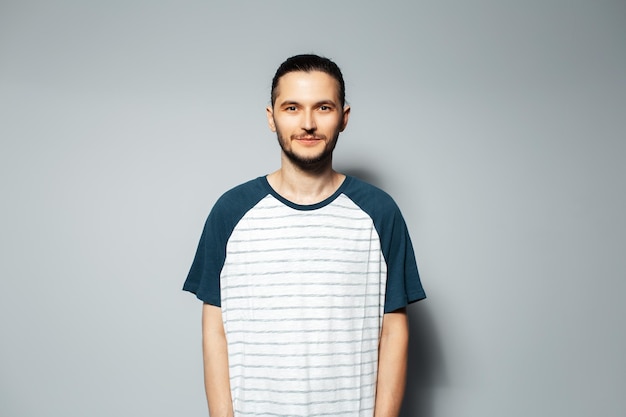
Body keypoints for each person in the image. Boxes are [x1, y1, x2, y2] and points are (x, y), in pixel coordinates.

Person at [183, 54, 426, 417]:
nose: (308, 123)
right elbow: (215, 330)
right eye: (292, 107)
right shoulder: (231, 212)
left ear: (343, 117)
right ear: (271, 117)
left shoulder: (379, 213)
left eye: (323, 107)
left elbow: (393, 331)